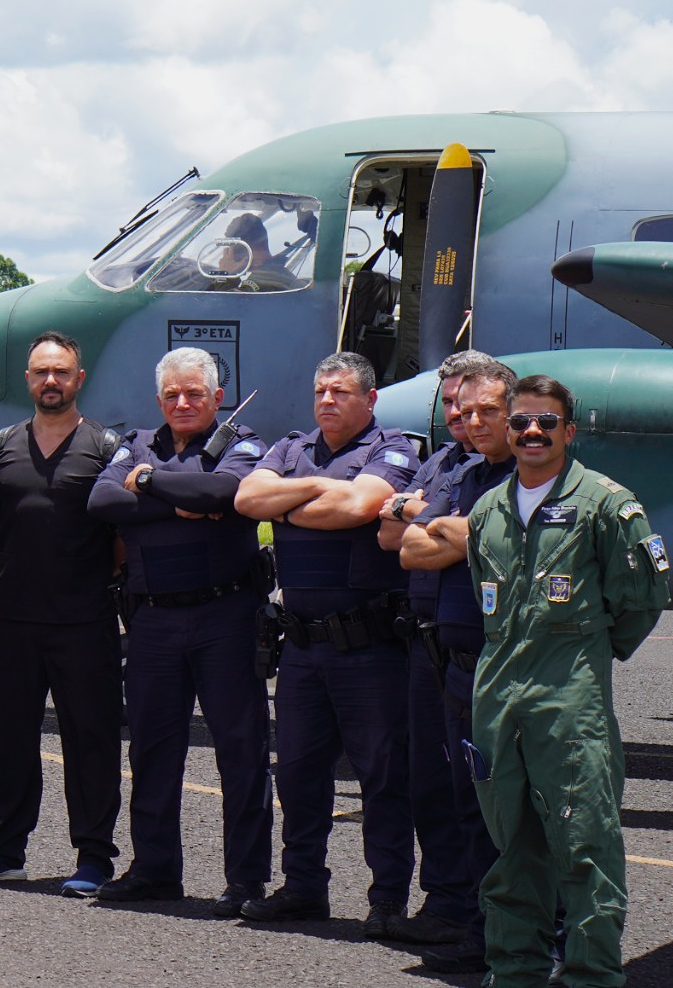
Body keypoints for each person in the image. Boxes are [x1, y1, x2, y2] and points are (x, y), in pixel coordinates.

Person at [449, 375, 667, 988]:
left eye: (547, 422)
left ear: (570, 431)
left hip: (568, 700)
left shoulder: (606, 505)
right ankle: (514, 973)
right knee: (511, 841)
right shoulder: (488, 512)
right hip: (498, 697)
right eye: (521, 424)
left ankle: (594, 982)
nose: (532, 433)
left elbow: (642, 600)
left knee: (584, 839)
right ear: (508, 433)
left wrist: (585, 660)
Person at [233, 351, 422, 926]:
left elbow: (362, 504)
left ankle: (387, 897)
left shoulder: (393, 449)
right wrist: (319, 489)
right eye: (320, 391)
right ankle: (303, 885)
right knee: (297, 771)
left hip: (369, 648)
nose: (327, 401)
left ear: (369, 399)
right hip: (303, 648)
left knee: (382, 775)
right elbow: (247, 501)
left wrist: (291, 500)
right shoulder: (292, 447)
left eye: (340, 392)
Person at [85, 346, 273, 912]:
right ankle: (155, 869)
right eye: (172, 394)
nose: (183, 402)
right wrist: (173, 491)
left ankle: (245, 880)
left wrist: (147, 487)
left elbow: (224, 493)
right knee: (152, 749)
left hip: (226, 616)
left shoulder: (242, 444)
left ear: (218, 397)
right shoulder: (136, 446)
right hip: (153, 620)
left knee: (240, 750)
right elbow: (100, 500)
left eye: (195, 393)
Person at [0, 331, 124, 896]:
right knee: (10, 737)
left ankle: (95, 857)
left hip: (86, 623)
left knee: (91, 741)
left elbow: (120, 537)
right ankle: (5, 850)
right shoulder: (2, 444)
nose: (49, 381)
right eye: (40, 372)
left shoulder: (106, 447)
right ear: (27, 380)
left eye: (61, 372)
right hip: (15, 620)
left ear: (79, 379)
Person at [374, 352, 511, 946]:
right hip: (430, 646)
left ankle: (506, 928)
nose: (461, 414)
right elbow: (394, 540)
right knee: (435, 783)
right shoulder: (445, 465)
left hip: (488, 649)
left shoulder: (514, 470)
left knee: (495, 797)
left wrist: (429, 521)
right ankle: (451, 903)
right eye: (453, 403)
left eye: (477, 405)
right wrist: (431, 522)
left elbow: (474, 538)